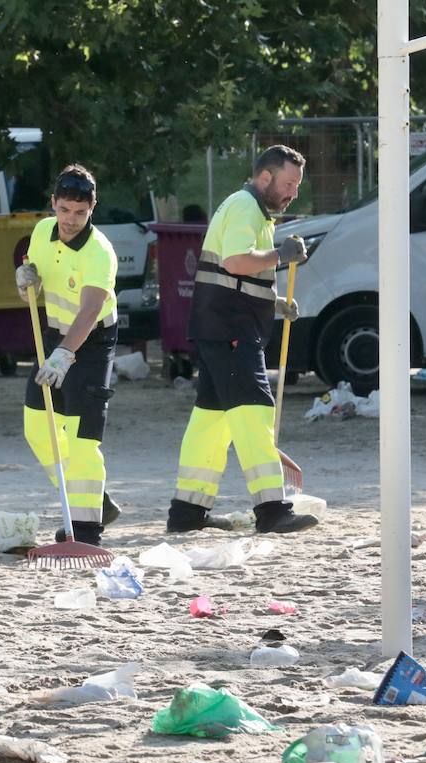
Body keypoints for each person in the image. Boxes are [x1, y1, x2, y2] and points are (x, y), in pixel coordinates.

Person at [165, 144, 314, 535]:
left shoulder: (250, 208)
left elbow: (234, 272)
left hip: (221, 326)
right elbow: (236, 261)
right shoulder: (248, 207)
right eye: (288, 183)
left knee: (211, 423)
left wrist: (275, 302)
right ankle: (272, 509)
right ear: (265, 177)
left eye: (296, 185)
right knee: (254, 412)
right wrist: (280, 255)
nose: (292, 193)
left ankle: (187, 513)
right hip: (230, 329)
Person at [14, 165, 123, 547]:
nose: (70, 220)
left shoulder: (100, 252)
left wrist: (64, 356)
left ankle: (87, 529)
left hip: (91, 342)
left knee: (81, 437)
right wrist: (25, 280)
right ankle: (96, 501)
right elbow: (33, 278)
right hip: (54, 334)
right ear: (53, 205)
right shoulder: (43, 231)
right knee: (37, 426)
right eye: (64, 210)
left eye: (80, 212)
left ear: (92, 208)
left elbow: (90, 311)